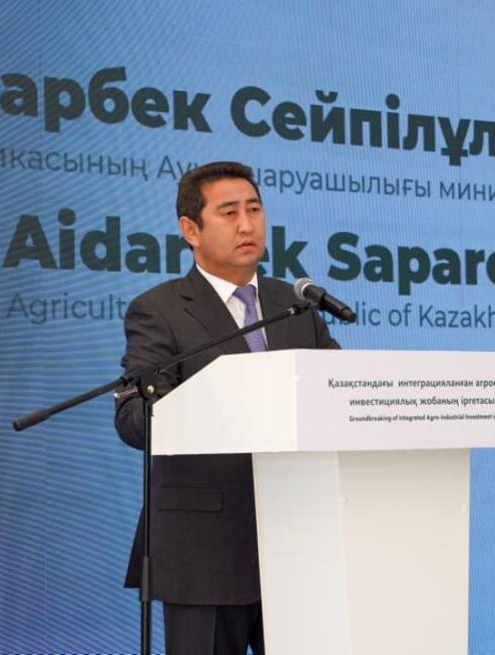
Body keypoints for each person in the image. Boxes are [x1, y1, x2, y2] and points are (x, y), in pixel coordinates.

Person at [114, 161, 339, 654]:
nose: (246, 225)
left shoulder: (296, 304)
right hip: (205, 549)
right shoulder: (160, 310)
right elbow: (134, 420)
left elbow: (338, 395)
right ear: (190, 230)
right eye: (229, 212)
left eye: (254, 210)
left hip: (301, 541)